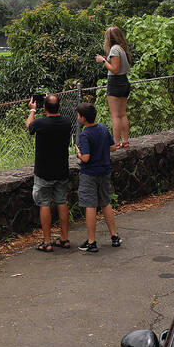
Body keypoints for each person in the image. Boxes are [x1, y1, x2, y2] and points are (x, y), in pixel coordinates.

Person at [26, 94, 73, 252]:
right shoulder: (67, 122)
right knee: (62, 201)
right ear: (59, 107)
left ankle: (47, 241)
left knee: (44, 203)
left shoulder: (40, 123)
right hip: (61, 169)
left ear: (44, 108)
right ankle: (65, 238)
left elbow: (28, 125)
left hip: (44, 171)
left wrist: (33, 110)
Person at [74, 102, 122, 253]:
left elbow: (86, 158)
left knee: (90, 205)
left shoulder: (85, 134)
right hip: (104, 170)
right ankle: (114, 236)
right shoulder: (102, 128)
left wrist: (78, 153)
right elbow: (113, 147)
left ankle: (91, 241)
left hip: (90, 173)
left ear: (83, 118)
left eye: (78, 115)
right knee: (105, 202)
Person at [95, 26, 133, 149]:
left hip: (115, 83)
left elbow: (115, 70)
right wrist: (107, 60)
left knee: (115, 115)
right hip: (124, 82)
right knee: (122, 114)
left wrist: (102, 61)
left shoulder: (114, 50)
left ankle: (116, 143)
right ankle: (125, 141)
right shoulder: (121, 49)